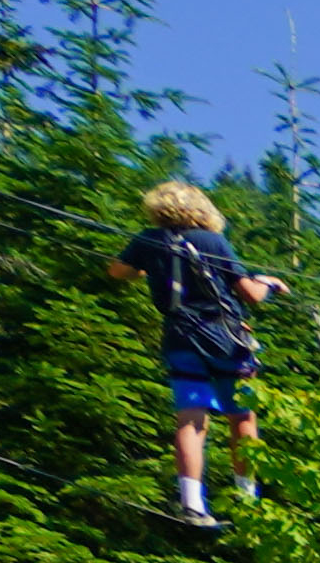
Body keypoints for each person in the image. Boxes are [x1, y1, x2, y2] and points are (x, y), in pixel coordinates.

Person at [110, 182, 283, 531]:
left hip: (179, 338)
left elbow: (119, 272)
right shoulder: (212, 241)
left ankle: (191, 503)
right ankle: (247, 499)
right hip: (225, 339)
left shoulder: (148, 239)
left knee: (190, 421)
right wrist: (270, 285)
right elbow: (249, 293)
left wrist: (149, 265)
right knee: (242, 419)